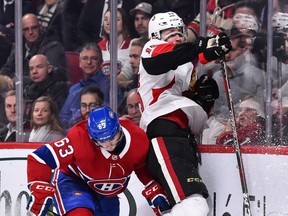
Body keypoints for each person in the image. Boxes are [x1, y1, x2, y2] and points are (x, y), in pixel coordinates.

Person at [137, 11, 232, 215]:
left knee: (183, 206)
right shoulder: (152, 49)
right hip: (163, 134)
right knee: (194, 205)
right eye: (169, 32)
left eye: (179, 32)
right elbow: (163, 61)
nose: (177, 36)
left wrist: (204, 98)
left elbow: (186, 103)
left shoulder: (186, 66)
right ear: (155, 36)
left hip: (182, 138)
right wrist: (202, 47)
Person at [26, 106, 170, 216]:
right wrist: (39, 186)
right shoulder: (79, 137)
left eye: (112, 137)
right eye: (101, 140)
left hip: (108, 193)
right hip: (74, 181)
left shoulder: (137, 138)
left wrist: (151, 185)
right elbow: (40, 158)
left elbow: (139, 164)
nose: (108, 144)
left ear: (119, 128)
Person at [59, 42, 121, 130]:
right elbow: (63, 118)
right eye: (85, 58)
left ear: (101, 63)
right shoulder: (74, 88)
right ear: (80, 63)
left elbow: (106, 117)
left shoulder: (108, 86)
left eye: (94, 59)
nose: (89, 62)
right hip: (69, 134)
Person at [0, 13, 66, 89]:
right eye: (26, 29)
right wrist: (7, 78)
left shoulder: (53, 46)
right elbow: (6, 69)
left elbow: (52, 75)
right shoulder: (20, 46)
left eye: (34, 28)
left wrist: (16, 80)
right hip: (22, 89)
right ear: (21, 31)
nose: (30, 32)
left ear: (40, 27)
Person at [98, 8, 133, 90]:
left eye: (115, 19)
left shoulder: (132, 45)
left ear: (124, 23)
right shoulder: (99, 47)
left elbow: (127, 72)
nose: (108, 23)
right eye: (106, 19)